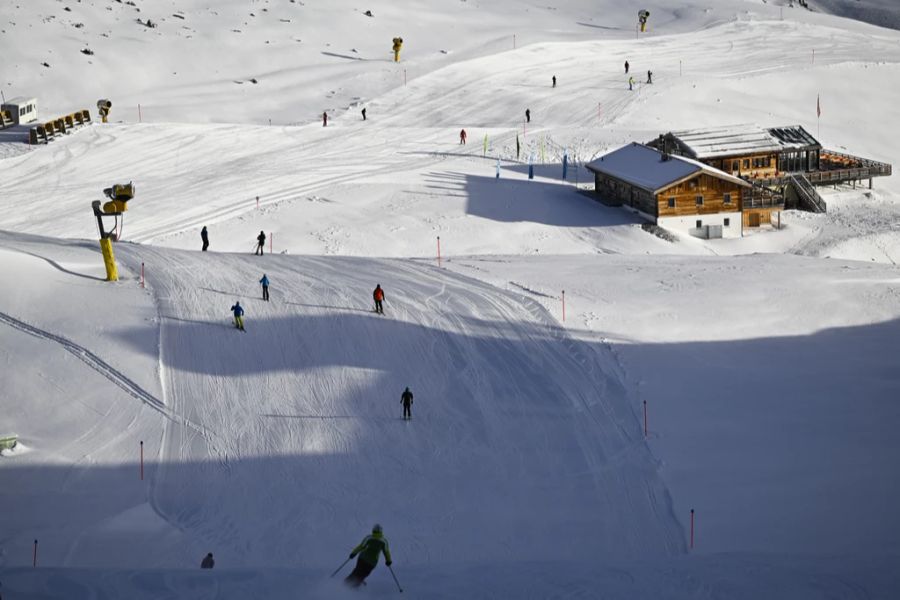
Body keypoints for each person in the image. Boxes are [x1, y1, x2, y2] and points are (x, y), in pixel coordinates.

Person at [345, 524, 392, 588]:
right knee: (364, 574)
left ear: (373, 530)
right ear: (381, 531)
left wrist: (354, 553)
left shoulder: (368, 538)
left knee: (357, 571)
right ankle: (354, 586)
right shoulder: (384, 541)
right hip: (372, 562)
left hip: (362, 558)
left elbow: (361, 546)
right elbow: (386, 552)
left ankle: (346, 582)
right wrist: (388, 560)